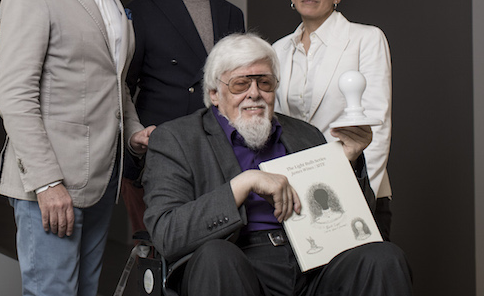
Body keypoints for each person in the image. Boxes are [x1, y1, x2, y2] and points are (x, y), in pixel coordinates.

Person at [142, 33, 411, 296]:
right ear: (214, 93)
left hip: (310, 262)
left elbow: (359, 226)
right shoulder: (177, 139)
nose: (254, 93)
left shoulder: (306, 135)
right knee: (216, 256)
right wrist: (244, 183)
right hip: (237, 261)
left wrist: (347, 161)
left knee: (382, 257)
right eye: (240, 84)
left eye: (265, 83)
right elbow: (167, 234)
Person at [0, 0, 154, 296]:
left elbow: (114, 83)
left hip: (100, 183)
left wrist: (134, 133)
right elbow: (13, 93)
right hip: (51, 186)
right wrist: (47, 183)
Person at [123, 0, 245, 233]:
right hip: (161, 160)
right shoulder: (140, 12)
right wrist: (133, 138)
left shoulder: (231, 14)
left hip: (222, 160)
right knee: (158, 255)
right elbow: (122, 87)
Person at [272, 0, 393, 240]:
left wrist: (357, 192)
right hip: (295, 195)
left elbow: (376, 127)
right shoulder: (276, 51)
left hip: (355, 186)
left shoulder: (366, 39)